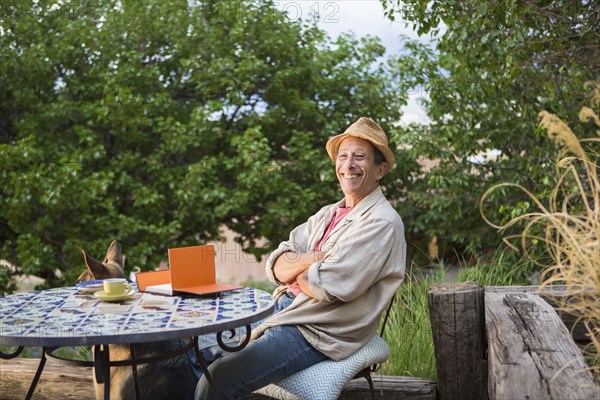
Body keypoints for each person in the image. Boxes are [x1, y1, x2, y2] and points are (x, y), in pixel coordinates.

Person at [194, 117, 406, 400]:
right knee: (193, 349)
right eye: (342, 156)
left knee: (217, 380)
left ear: (380, 170)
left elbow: (329, 287)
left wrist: (299, 266)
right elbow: (277, 264)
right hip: (283, 308)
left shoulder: (382, 222)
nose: (348, 165)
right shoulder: (328, 213)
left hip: (317, 329)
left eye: (360, 157)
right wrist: (312, 260)